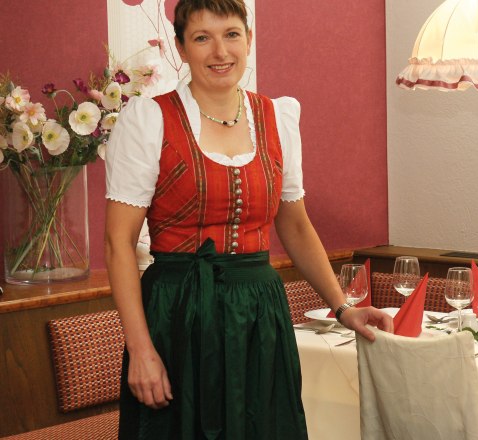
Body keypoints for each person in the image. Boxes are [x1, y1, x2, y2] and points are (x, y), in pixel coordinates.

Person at [103, 1, 393, 438]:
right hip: (179, 313)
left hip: (260, 313)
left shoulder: (277, 117)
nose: (220, 51)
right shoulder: (150, 119)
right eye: (202, 38)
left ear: (249, 40)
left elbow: (294, 224)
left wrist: (342, 307)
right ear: (182, 48)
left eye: (232, 34)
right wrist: (141, 348)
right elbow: (118, 244)